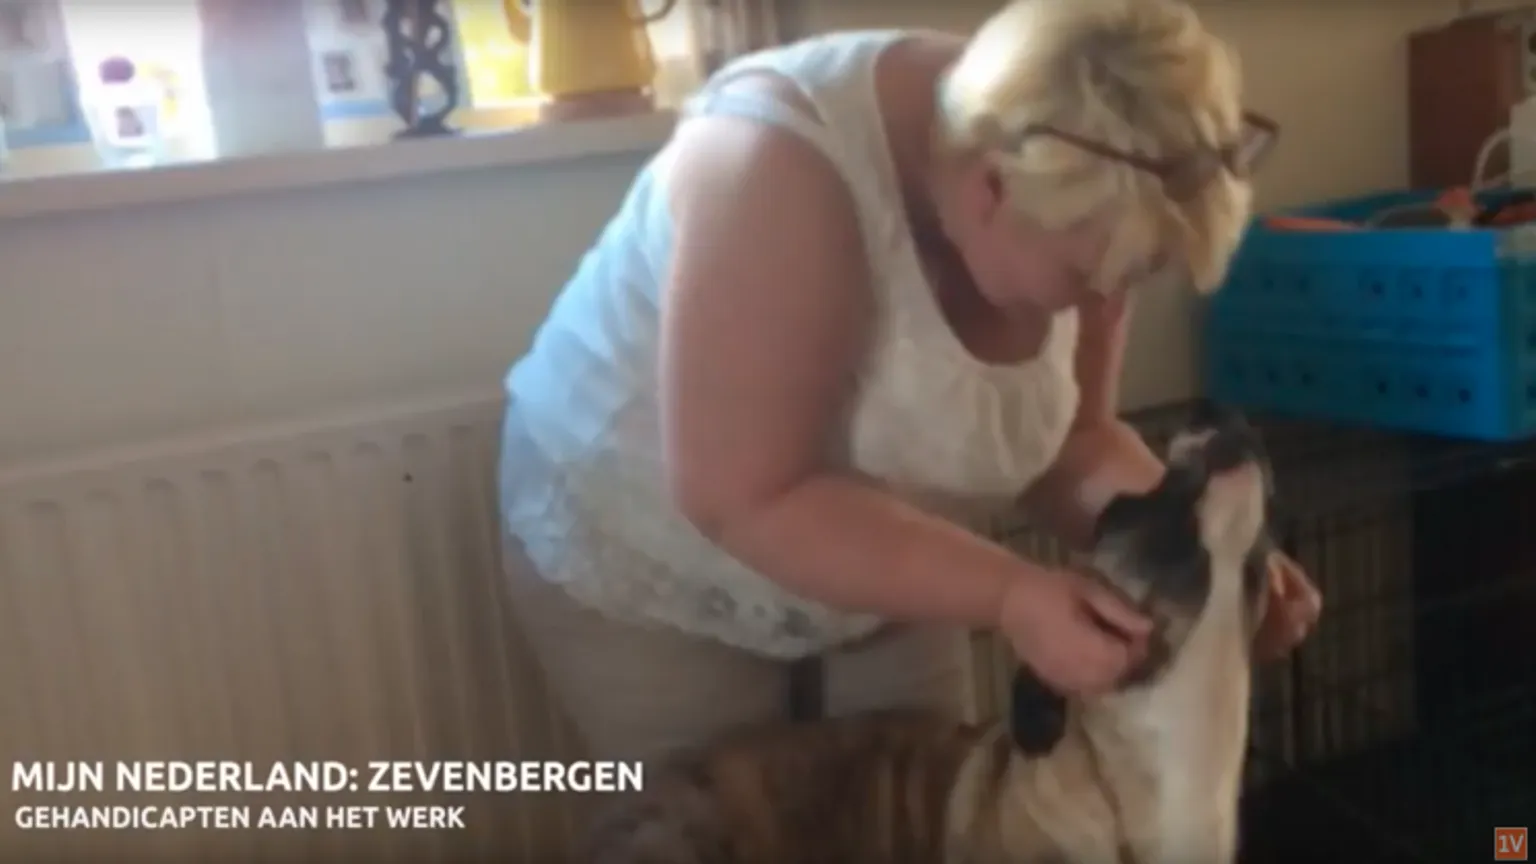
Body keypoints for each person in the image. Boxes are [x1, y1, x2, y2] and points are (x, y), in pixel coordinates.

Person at [498, 0, 1322, 763]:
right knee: (737, 832)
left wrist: (1211, 566)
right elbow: (747, 496)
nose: (1105, 303)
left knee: (927, 816)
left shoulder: (1092, 168)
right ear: (990, 187)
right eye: (1088, 277)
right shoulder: (774, 163)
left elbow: (1075, 444)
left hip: (884, 543)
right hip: (650, 551)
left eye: (1133, 277)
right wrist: (1009, 593)